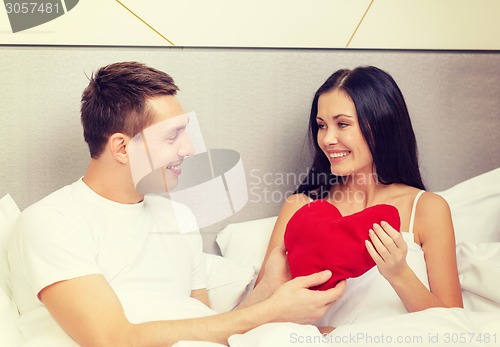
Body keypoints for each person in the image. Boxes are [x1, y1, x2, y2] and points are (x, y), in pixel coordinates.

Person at [8, 61, 345, 346]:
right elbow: (112, 338)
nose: (189, 149)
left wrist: (270, 289)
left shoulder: (177, 217)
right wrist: (272, 312)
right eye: (172, 137)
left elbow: (206, 327)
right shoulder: (52, 221)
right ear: (122, 148)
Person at [257, 66, 463, 328]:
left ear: (381, 127)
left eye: (342, 124)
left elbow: (455, 324)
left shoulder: (427, 209)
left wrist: (398, 274)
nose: (327, 139)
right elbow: (261, 309)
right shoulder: (300, 207)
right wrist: (326, 334)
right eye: (321, 126)